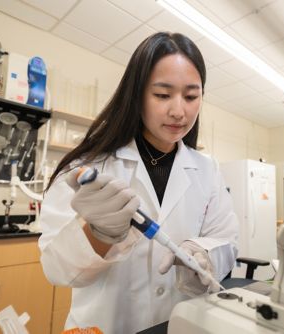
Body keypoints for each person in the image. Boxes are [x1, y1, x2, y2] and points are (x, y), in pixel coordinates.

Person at [38, 32, 239, 333]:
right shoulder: (88, 165)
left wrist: (203, 252)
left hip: (182, 323)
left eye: (191, 96)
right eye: (162, 94)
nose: (179, 111)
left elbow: (227, 241)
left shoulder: (207, 168)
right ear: (136, 94)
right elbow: (57, 271)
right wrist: (99, 235)